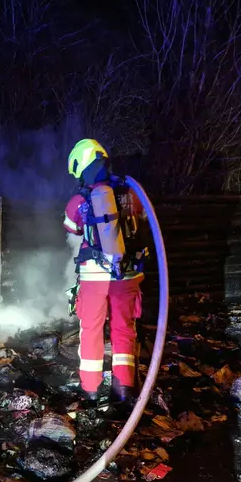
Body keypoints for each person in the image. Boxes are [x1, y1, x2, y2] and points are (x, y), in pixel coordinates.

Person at [62, 139, 148, 412]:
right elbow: (142, 222)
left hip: (94, 277)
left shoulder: (79, 200)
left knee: (91, 330)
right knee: (124, 329)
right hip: (127, 274)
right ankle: (123, 390)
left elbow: (72, 229)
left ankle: (90, 390)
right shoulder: (132, 192)